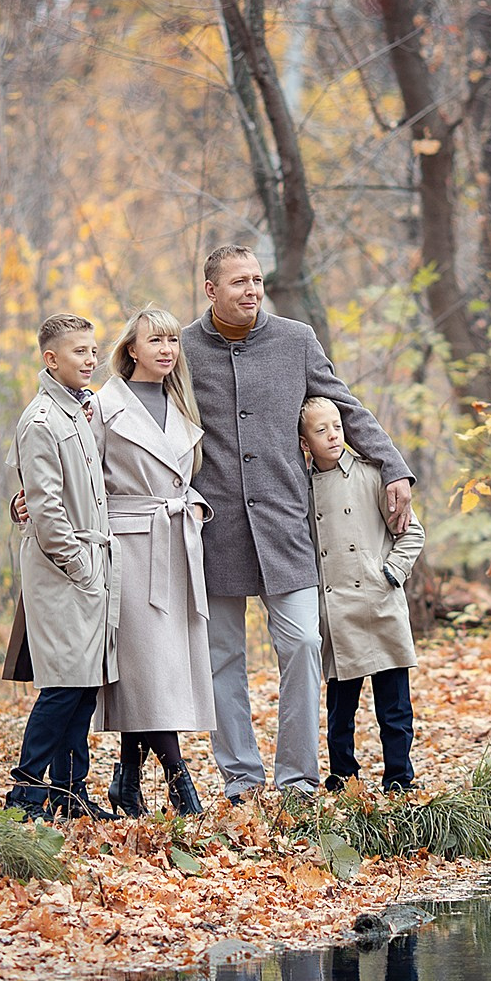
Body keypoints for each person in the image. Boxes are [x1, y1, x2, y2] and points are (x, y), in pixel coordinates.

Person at [184, 245, 415, 801]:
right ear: (211, 289)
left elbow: (347, 406)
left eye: (257, 280)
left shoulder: (295, 340)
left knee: (305, 644)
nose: (251, 290)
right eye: (238, 281)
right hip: (216, 529)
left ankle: (298, 781)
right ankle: (241, 778)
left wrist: (392, 468)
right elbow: (131, 400)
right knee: (224, 660)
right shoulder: (184, 349)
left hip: (287, 525)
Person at [91, 306, 215, 816]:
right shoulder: (103, 405)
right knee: (146, 668)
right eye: (155, 340)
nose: (167, 349)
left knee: (150, 672)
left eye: (172, 340)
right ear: (132, 349)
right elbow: (79, 473)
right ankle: (179, 778)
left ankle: (128, 777)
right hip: (129, 546)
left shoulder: (181, 404)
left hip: (176, 545)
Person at [1, 314, 118, 821]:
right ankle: (25, 794)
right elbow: (45, 507)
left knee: (83, 684)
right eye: (79, 352)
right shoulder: (42, 419)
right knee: (63, 686)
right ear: (51, 359)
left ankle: (71, 793)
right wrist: (80, 566)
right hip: (63, 570)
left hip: (88, 565)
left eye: (93, 351)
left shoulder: (79, 411)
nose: (90, 360)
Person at [299, 397, 425, 791]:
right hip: (336, 610)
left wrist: (390, 572)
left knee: (395, 706)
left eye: (337, 426)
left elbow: (412, 533)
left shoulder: (373, 476)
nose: (333, 435)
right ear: (305, 443)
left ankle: (400, 778)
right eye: (321, 431)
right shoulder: (301, 489)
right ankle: (343, 779)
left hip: (380, 599)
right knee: (340, 708)